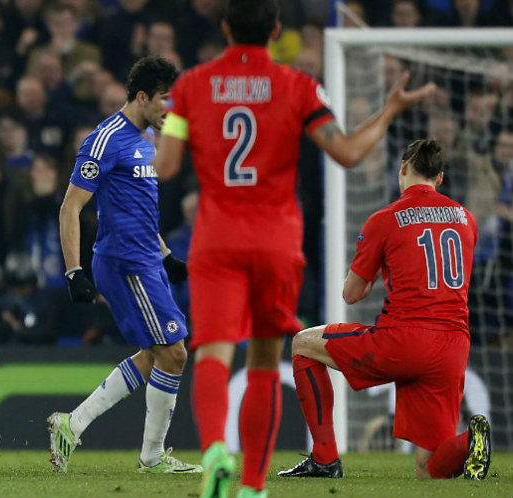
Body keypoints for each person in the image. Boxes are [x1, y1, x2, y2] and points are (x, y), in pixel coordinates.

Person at [153, 1, 436, 497]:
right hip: (276, 242)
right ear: (276, 31)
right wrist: (390, 108)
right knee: (264, 359)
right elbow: (346, 152)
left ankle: (216, 449)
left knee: (215, 352)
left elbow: (168, 166)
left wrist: (182, 129)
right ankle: (252, 487)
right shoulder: (298, 86)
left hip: (217, 238)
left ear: (224, 27)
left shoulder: (191, 86)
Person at [279, 139, 491, 481]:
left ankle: (324, 459)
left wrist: (379, 267)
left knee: (303, 344)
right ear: (439, 178)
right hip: (453, 346)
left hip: (404, 341)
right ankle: (470, 441)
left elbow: (351, 294)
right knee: (429, 468)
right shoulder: (466, 220)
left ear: (403, 169)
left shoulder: (386, 219)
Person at [48, 56, 198, 474]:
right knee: (175, 354)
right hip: (126, 264)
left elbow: (136, 210)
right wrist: (73, 270)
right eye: (167, 100)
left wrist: (168, 257)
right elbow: (70, 207)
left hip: (146, 259)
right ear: (143, 97)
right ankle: (151, 458)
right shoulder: (105, 139)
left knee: (154, 355)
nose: (172, 109)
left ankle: (72, 424)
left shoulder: (149, 139)